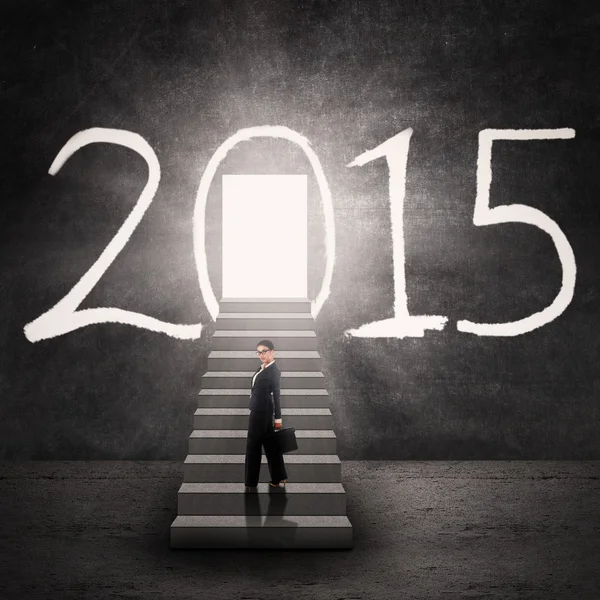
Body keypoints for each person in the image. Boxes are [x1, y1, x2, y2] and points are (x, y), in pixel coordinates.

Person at [244, 339, 288, 490]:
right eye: (259, 352)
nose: (261, 355)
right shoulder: (262, 368)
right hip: (260, 410)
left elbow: (277, 395)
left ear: (272, 352)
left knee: (252, 447)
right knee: (271, 446)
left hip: (260, 414)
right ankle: (278, 477)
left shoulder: (274, 371)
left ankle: (251, 482)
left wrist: (278, 418)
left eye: (264, 351)